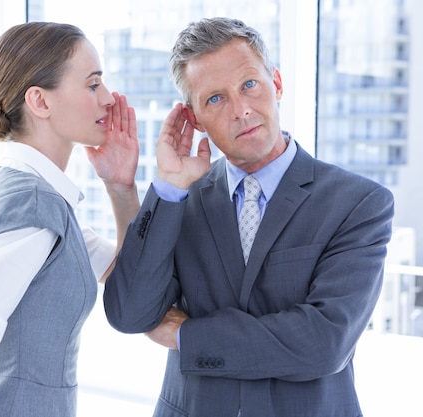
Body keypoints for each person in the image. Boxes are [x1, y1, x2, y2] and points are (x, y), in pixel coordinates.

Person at [103, 17, 394, 417]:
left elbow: (324, 343)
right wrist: (169, 186)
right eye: (216, 99)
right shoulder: (179, 200)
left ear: (276, 83)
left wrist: (188, 335)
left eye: (249, 85)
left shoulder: (358, 203)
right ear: (194, 117)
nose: (241, 110)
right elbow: (130, 313)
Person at [0, 22, 140, 417]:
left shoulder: (42, 204)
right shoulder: (35, 213)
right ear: (40, 101)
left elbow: (133, 277)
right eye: (93, 85)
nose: (109, 99)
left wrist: (120, 187)